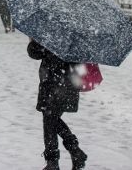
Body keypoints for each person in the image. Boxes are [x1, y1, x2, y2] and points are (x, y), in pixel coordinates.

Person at [27, 39, 87, 170]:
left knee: (50, 120)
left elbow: (34, 52)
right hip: (69, 83)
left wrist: (34, 41)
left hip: (54, 84)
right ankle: (73, 153)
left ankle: (55, 162)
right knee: (51, 120)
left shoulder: (51, 32)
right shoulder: (75, 35)